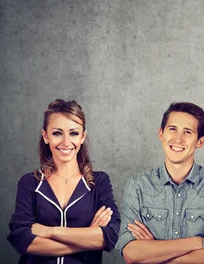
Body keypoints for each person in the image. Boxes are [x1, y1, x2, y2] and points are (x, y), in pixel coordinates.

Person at [116, 102, 204, 264]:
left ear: (200, 141)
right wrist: (196, 242)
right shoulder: (138, 185)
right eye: (172, 129)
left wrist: (152, 253)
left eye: (187, 132)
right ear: (161, 134)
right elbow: (132, 253)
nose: (178, 139)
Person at [8, 99, 120, 263]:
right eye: (57, 133)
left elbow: (110, 236)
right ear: (46, 136)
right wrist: (88, 236)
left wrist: (50, 232)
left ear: (83, 137)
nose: (66, 142)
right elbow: (22, 239)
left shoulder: (99, 182)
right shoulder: (30, 183)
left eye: (73, 133)